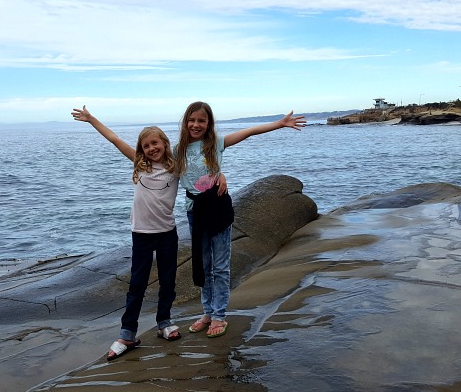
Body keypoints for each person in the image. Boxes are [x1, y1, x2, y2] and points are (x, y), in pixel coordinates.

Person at [175, 102, 306, 338]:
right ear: (185, 122)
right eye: (192, 120)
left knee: (221, 266)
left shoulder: (215, 144)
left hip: (218, 209)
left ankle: (219, 315)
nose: (196, 125)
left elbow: (248, 132)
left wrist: (279, 124)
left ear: (209, 124)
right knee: (202, 266)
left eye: (201, 121)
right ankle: (207, 312)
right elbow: (150, 162)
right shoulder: (178, 150)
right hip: (195, 212)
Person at [71, 105, 185, 361]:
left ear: (165, 144)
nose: (151, 148)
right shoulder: (140, 164)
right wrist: (91, 119)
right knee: (137, 285)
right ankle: (127, 334)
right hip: (141, 234)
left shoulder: (177, 167)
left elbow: (204, 163)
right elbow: (113, 138)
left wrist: (219, 175)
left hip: (167, 232)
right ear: (142, 150)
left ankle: (164, 323)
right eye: (146, 146)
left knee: (168, 282)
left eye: (155, 143)